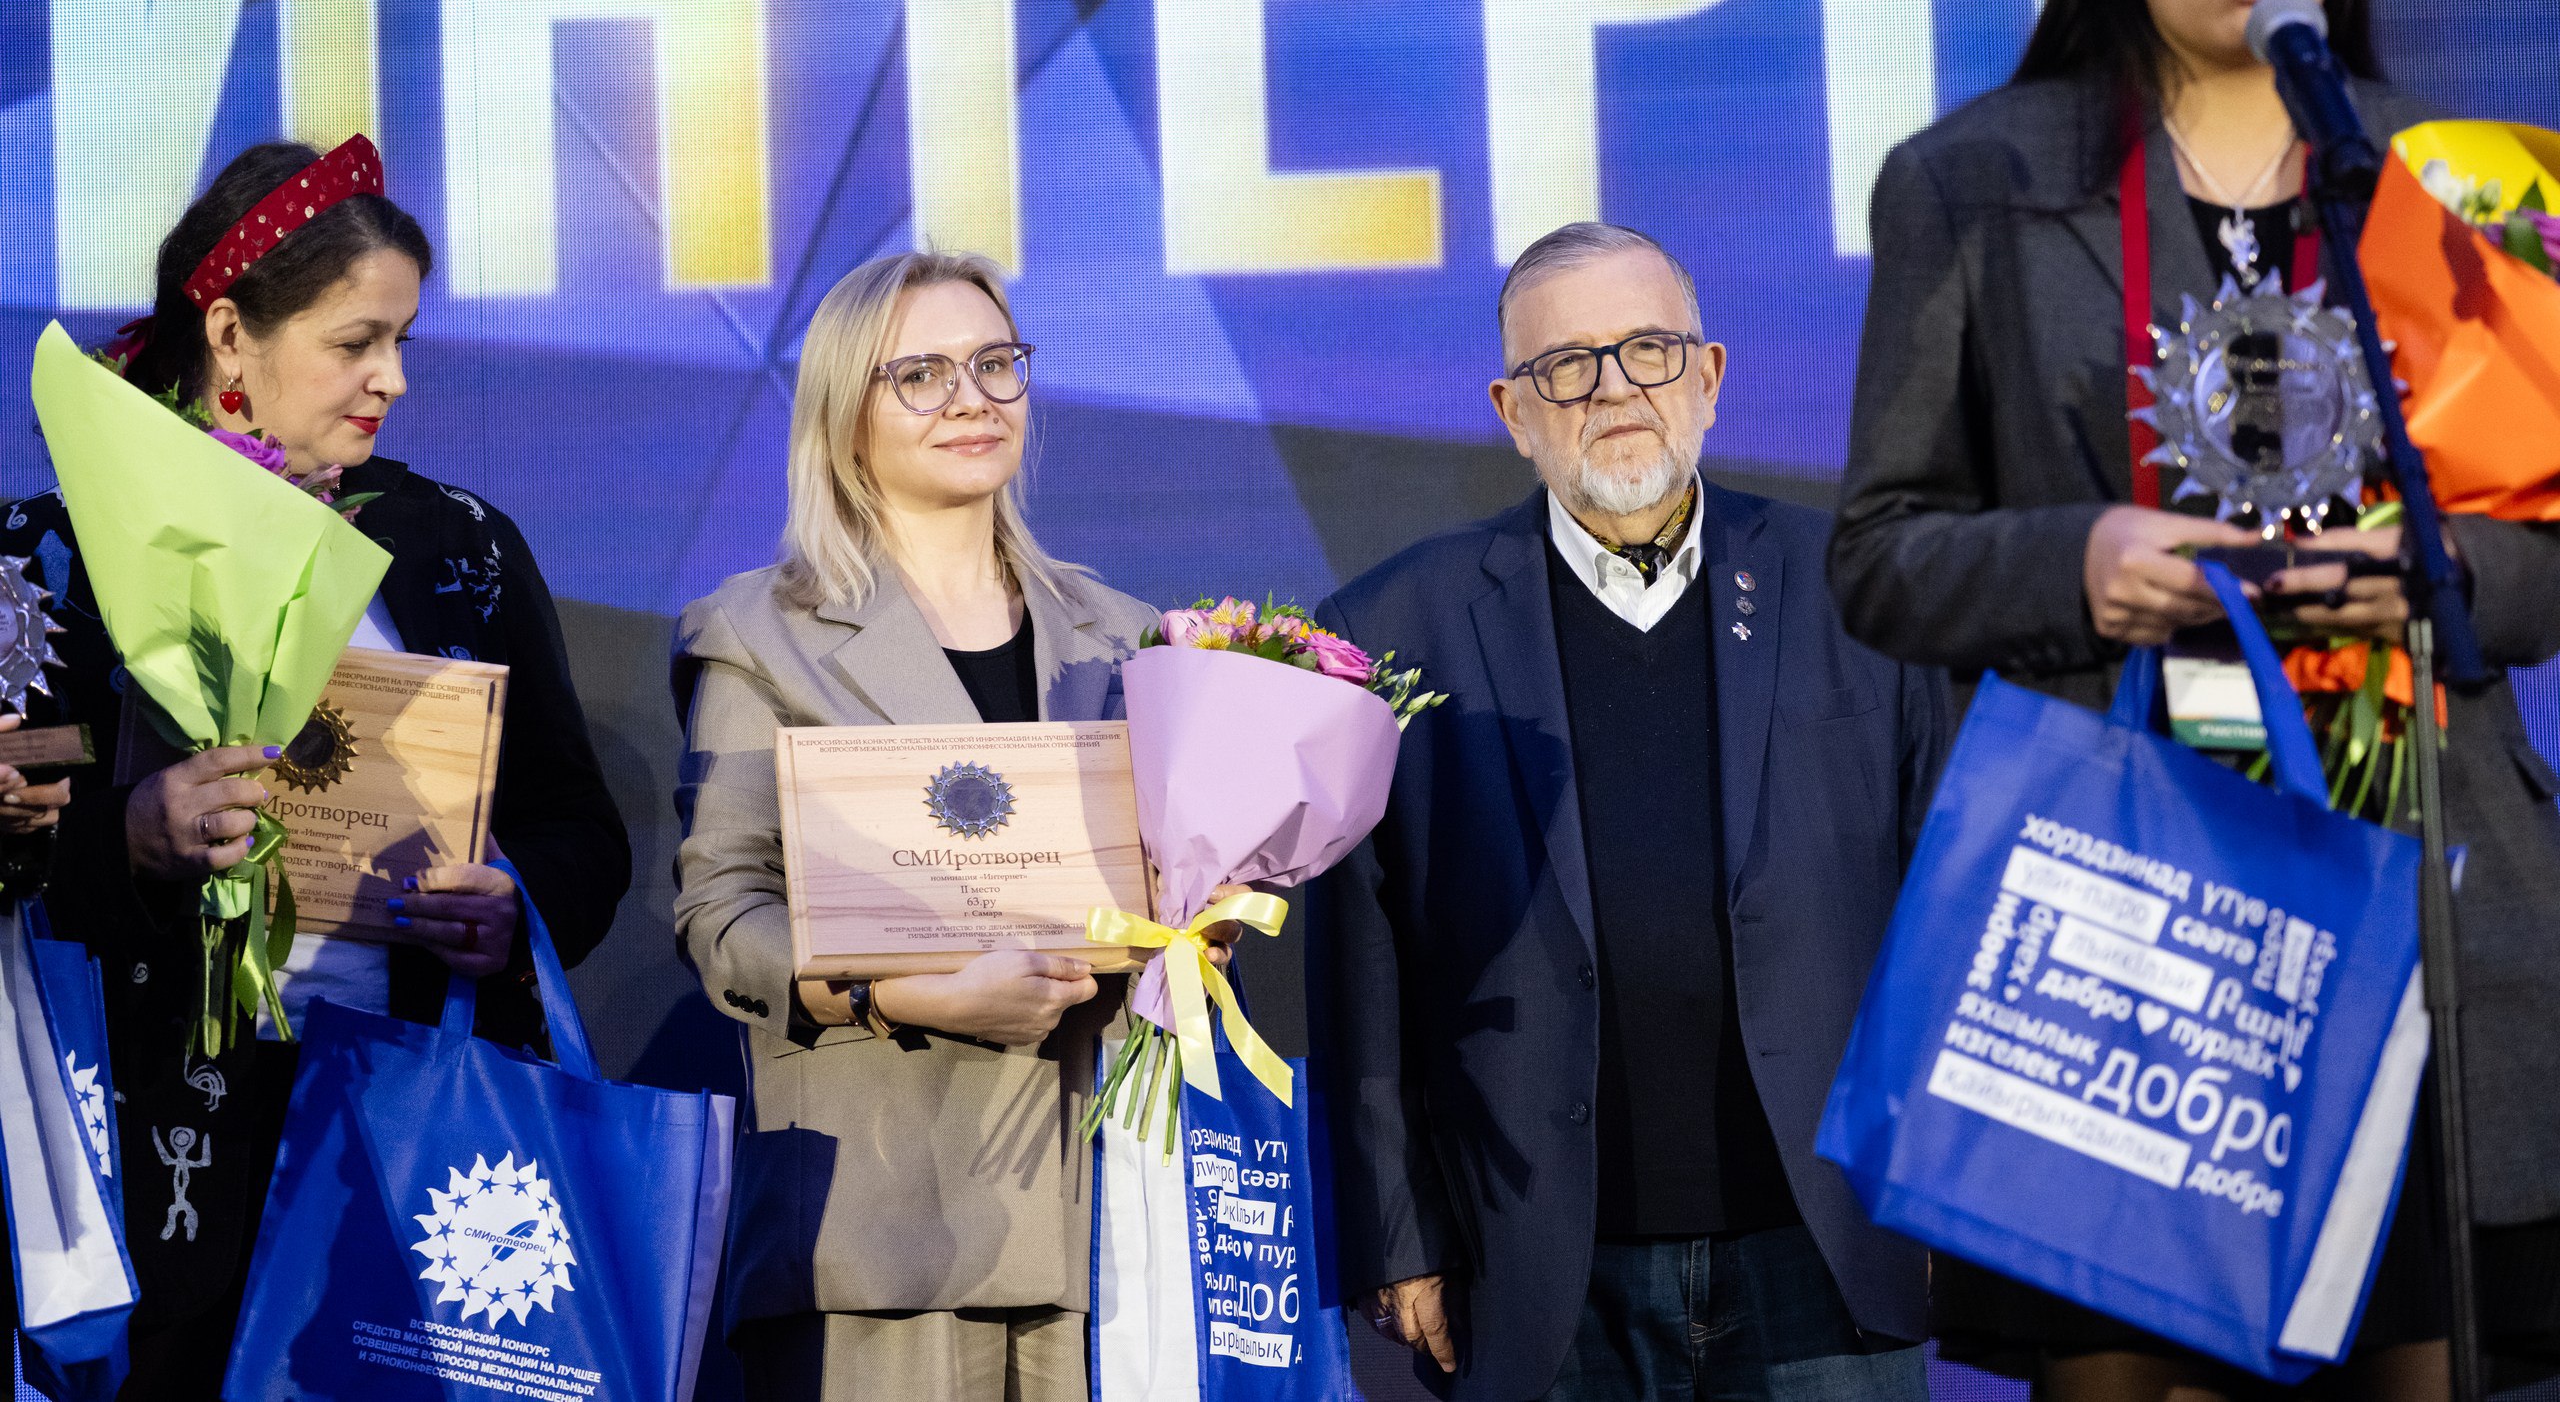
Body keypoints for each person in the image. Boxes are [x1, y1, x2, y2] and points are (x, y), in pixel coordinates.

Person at [1831, 0, 2560, 1398]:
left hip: (2406, 873)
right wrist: (2078, 558)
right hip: (2124, 896)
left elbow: (2546, 552)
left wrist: (2438, 571)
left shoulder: (2448, 181)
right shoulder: (1971, 184)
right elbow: (1878, 553)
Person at [0, 137, 632, 1396]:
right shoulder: (50, 560)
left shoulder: (456, 548)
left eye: (402, 341)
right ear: (229, 334)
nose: (392, 377)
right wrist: (130, 832)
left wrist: (509, 916)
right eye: (357, 341)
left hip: (396, 1131)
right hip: (127, 1140)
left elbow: (580, 834)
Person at [1306, 222, 1950, 1402]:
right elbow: (1361, 966)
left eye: (1646, 350)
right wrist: (1396, 1232)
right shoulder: (1393, 629)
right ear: (1513, 410)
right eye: (1566, 365)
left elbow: (1949, 902)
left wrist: (1950, 1184)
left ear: (1708, 376)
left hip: (1825, 1246)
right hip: (1536, 1268)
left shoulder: (1859, 593)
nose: (1611, 389)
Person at [671, 248, 1240, 1402]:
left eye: (995, 364)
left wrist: (1193, 936)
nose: (972, 398)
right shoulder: (758, 633)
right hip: (881, 1227)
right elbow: (722, 919)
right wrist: (904, 995)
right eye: (922, 374)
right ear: (846, 413)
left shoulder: (1127, 635)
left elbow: (1169, 893)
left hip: (1105, 1223)